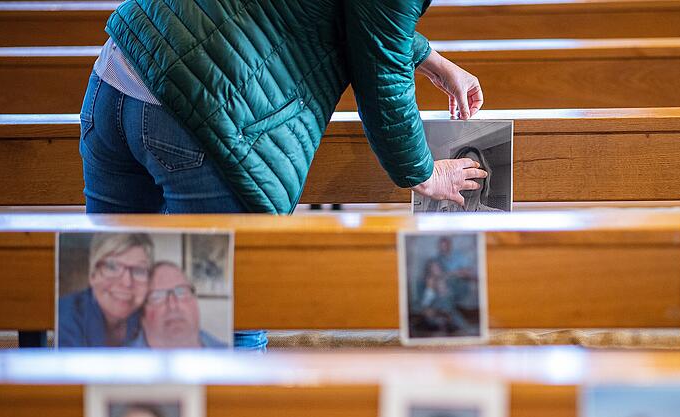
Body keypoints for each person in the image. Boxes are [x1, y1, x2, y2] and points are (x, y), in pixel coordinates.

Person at [81, 1, 490, 350]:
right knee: (223, 331)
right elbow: (380, 67)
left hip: (119, 68)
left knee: (112, 313)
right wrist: (423, 173)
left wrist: (428, 58)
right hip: (206, 108)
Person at [57, 233, 153, 347]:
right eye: (112, 267)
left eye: (139, 270)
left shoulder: (146, 316)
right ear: (93, 275)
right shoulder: (61, 317)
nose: (127, 282)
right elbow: (49, 350)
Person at [130, 262, 227, 349]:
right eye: (157, 296)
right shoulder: (120, 364)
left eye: (181, 291)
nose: (172, 305)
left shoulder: (232, 358)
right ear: (142, 314)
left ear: (195, 302)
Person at [420, 146, 503, 212]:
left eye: (476, 170)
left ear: (485, 178)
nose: (471, 176)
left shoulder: (498, 218)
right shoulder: (441, 216)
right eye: (465, 170)